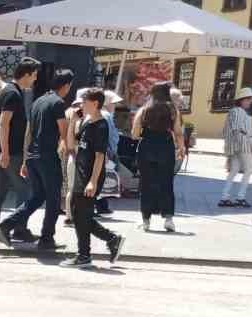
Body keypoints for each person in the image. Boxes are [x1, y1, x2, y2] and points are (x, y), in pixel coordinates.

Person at [0, 66, 73, 250]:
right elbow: (64, 131)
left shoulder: (38, 102)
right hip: (48, 157)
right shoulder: (57, 103)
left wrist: (25, 159)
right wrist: (68, 148)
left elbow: (28, 133)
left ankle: (7, 224)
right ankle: (47, 238)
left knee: (38, 196)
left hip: (33, 156)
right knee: (54, 199)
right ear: (67, 86)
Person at [63, 88, 125, 269]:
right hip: (81, 173)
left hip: (91, 176)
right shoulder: (87, 122)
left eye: (84, 101)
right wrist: (74, 121)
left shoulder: (101, 126)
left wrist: (93, 181)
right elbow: (71, 145)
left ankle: (85, 254)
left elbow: (100, 156)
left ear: (95, 103)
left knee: (82, 215)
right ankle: (111, 240)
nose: (81, 105)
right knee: (78, 214)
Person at [0, 57, 39, 242]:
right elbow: (3, 123)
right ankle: (19, 228)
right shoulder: (12, 94)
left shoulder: (10, 91)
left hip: (2, 150)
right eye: (33, 75)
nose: (35, 79)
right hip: (10, 152)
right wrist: (5, 151)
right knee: (24, 190)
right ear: (25, 75)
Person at [133, 82, 183, 231]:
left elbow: (135, 133)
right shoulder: (173, 110)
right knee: (166, 183)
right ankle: (168, 219)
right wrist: (181, 147)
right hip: (166, 148)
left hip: (146, 147)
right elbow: (178, 132)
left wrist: (143, 132)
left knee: (146, 184)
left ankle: (146, 221)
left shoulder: (144, 110)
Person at [219, 86, 252, 207]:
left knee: (234, 170)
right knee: (249, 170)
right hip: (243, 145)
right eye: (249, 99)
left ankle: (225, 197)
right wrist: (247, 138)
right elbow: (236, 129)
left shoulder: (234, 111)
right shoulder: (238, 111)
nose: (251, 102)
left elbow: (228, 130)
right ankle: (240, 197)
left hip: (237, 146)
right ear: (243, 100)